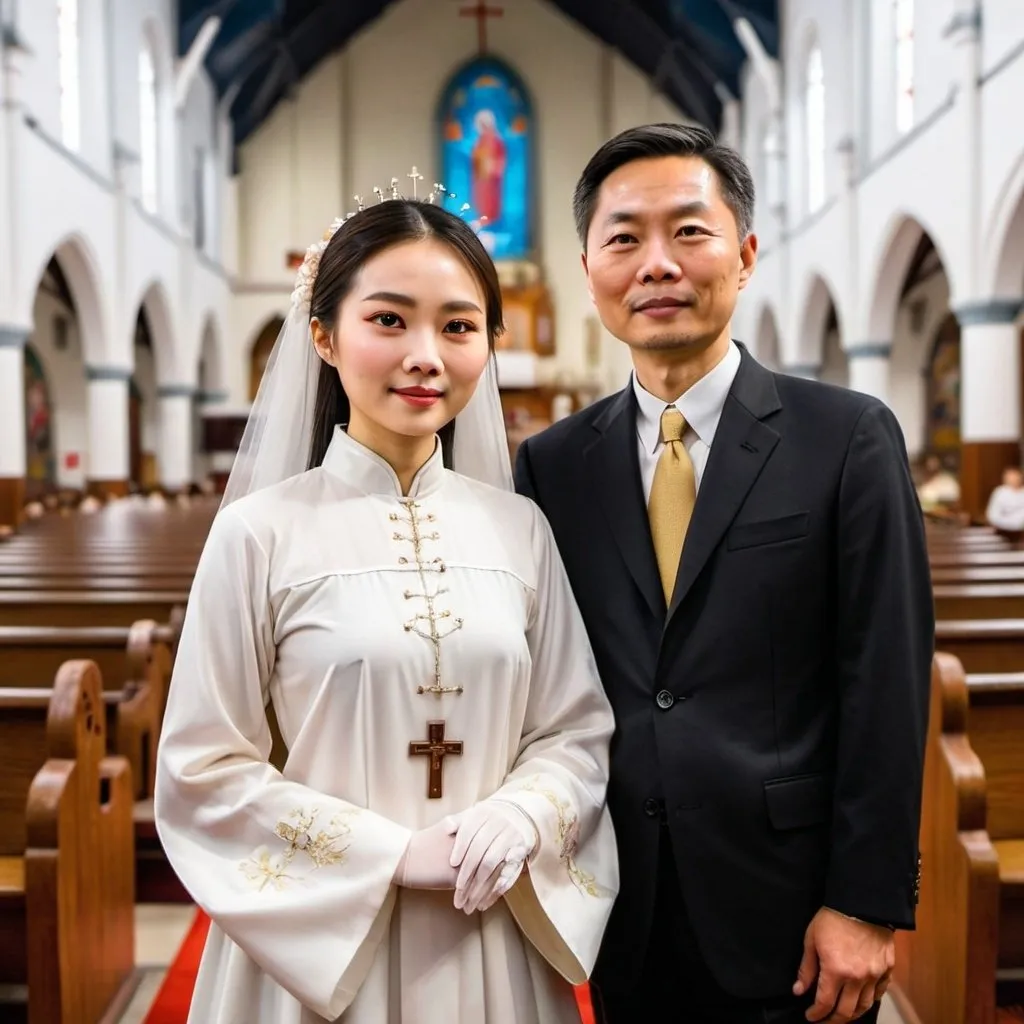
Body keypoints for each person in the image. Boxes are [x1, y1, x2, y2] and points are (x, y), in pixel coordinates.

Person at [154, 195, 618, 1024]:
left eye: (458, 326)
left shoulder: (521, 529)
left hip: (490, 933)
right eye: (389, 320)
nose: (426, 356)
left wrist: (523, 811)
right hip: (319, 948)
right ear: (325, 336)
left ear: (489, 344)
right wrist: (389, 855)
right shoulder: (257, 535)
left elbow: (573, 730)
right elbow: (202, 768)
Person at [514, 123, 934, 1024]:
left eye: (689, 231)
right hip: (618, 898)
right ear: (588, 270)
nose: (656, 263)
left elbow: (886, 680)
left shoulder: (847, 437)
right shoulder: (553, 465)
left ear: (744, 255)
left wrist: (866, 899)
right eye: (623, 238)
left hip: (793, 907)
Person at [986, 465, 1024, 532]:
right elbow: (992, 515)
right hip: (1002, 529)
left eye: (1015, 476)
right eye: (1010, 477)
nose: (1013, 479)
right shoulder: (999, 492)